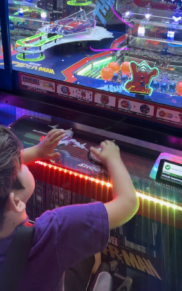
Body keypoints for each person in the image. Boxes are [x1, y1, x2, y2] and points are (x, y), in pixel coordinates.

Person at [0, 125, 139, 291]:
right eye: (20, 165)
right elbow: (128, 204)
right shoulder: (55, 231)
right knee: (91, 255)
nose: (23, 162)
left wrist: (37, 152)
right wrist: (114, 160)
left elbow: (6, 169)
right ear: (15, 202)